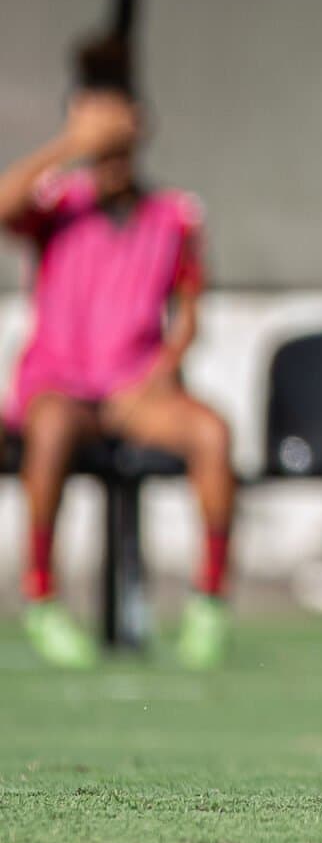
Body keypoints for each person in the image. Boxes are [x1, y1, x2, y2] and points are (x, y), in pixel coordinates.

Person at [3, 35, 235, 671]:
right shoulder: (58, 205)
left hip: (133, 386)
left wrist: (161, 373)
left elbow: (190, 309)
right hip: (63, 385)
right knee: (47, 432)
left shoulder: (173, 215)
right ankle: (42, 596)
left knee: (212, 434)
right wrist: (69, 144)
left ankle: (209, 600)